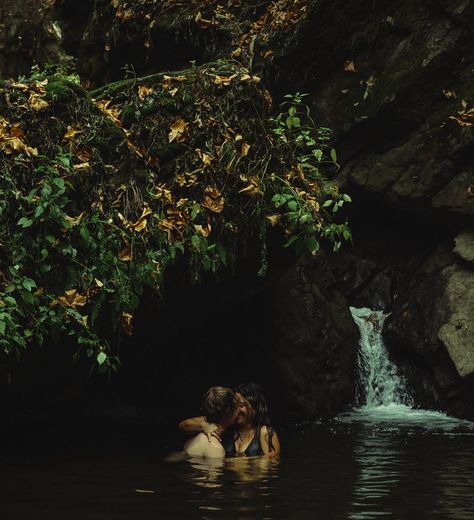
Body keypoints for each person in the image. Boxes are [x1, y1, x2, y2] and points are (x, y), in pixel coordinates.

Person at [179, 383, 280, 457]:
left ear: (254, 409)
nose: (237, 409)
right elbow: (184, 424)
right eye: (235, 405)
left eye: (241, 405)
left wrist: (232, 462)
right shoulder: (224, 422)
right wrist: (204, 426)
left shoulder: (264, 432)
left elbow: (271, 463)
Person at [182, 386, 238, 458]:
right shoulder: (216, 449)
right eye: (236, 407)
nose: (238, 412)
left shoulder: (191, 441)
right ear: (229, 413)